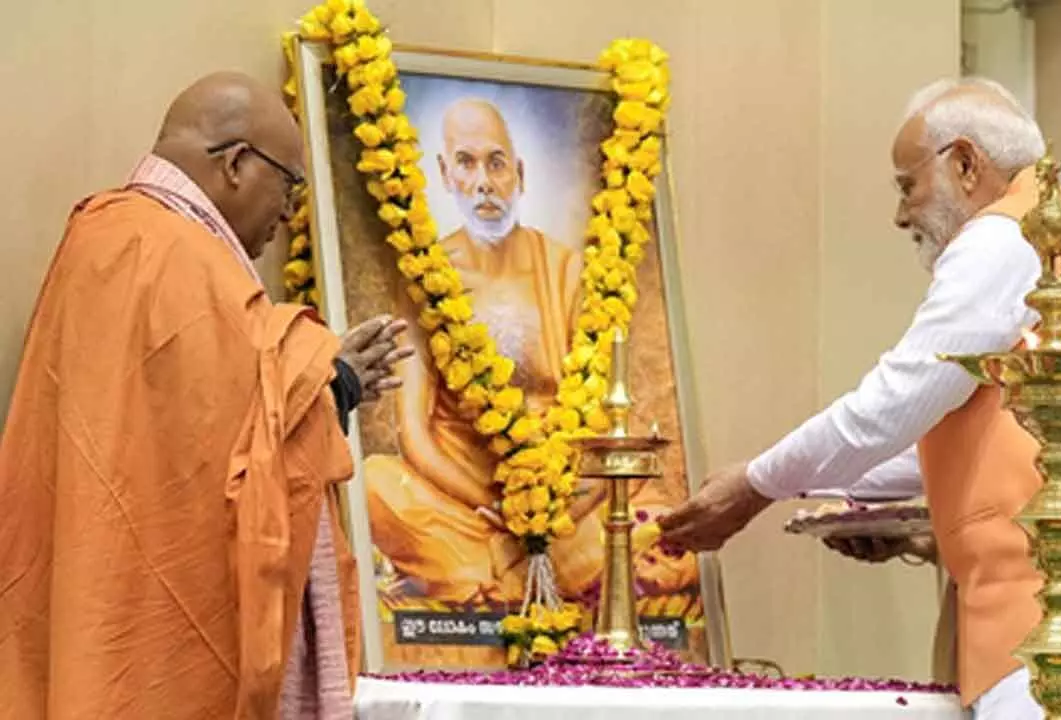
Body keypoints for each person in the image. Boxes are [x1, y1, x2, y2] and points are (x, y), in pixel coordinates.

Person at [660, 77, 1061, 718]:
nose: (901, 214)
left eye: (906, 185)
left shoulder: (1008, 235)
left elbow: (893, 404)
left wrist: (754, 484)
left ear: (966, 163)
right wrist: (824, 495)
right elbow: (983, 436)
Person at [0, 72, 412, 719]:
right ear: (238, 164)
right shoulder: (164, 249)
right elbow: (239, 433)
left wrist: (325, 379)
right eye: (291, 185)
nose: (289, 212)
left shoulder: (115, 237)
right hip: (152, 622)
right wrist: (334, 380)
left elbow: (216, 420)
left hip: (111, 595)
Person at [361, 98, 696, 663]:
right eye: (465, 163)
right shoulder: (425, 277)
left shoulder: (564, 269)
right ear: (444, 174)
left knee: (666, 528)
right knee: (374, 485)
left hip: (565, 491)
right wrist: (495, 503)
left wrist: (563, 502)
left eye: (496, 163)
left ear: (520, 173)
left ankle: (507, 573)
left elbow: (597, 407)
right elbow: (414, 433)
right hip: (464, 496)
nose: (483, 182)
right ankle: (529, 570)